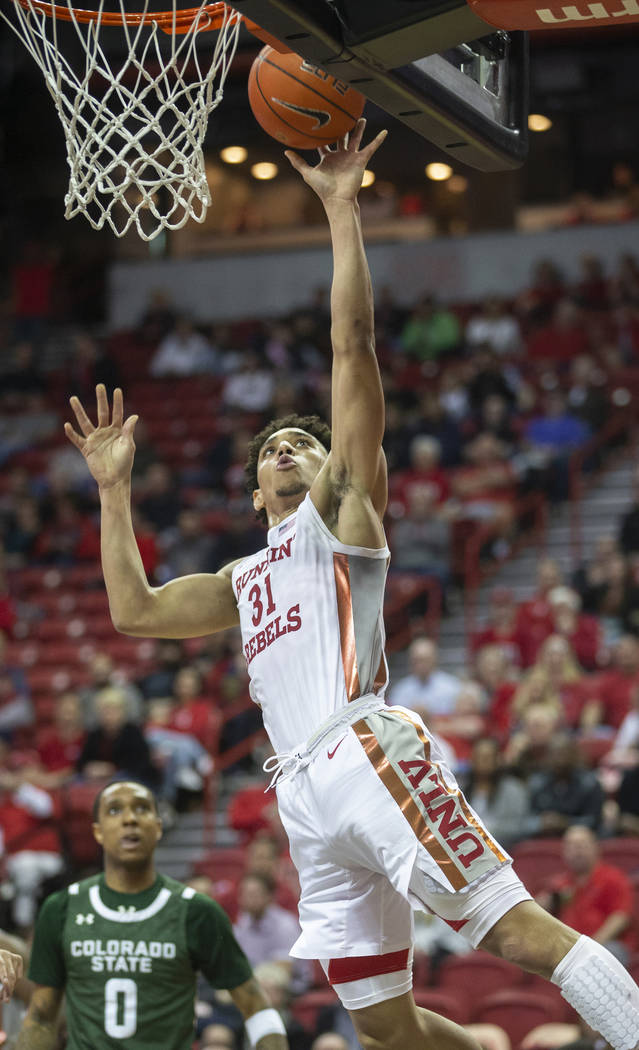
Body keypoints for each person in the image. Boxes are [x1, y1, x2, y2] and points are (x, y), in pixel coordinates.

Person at [63, 122, 639, 1050]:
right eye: (270, 450)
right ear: (254, 493)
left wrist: (340, 208)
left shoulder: (342, 513)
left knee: (515, 935)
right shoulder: (241, 576)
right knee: (382, 1026)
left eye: (306, 442)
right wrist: (116, 489)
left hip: (364, 750)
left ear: (338, 464)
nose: (287, 448)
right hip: (300, 789)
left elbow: (352, 346)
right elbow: (133, 612)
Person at [15, 780, 288, 1050]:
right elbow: (41, 1018)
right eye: (114, 810)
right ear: (97, 832)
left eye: (142, 809)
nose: (130, 819)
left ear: (158, 828)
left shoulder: (197, 911)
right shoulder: (61, 908)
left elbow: (256, 1007)